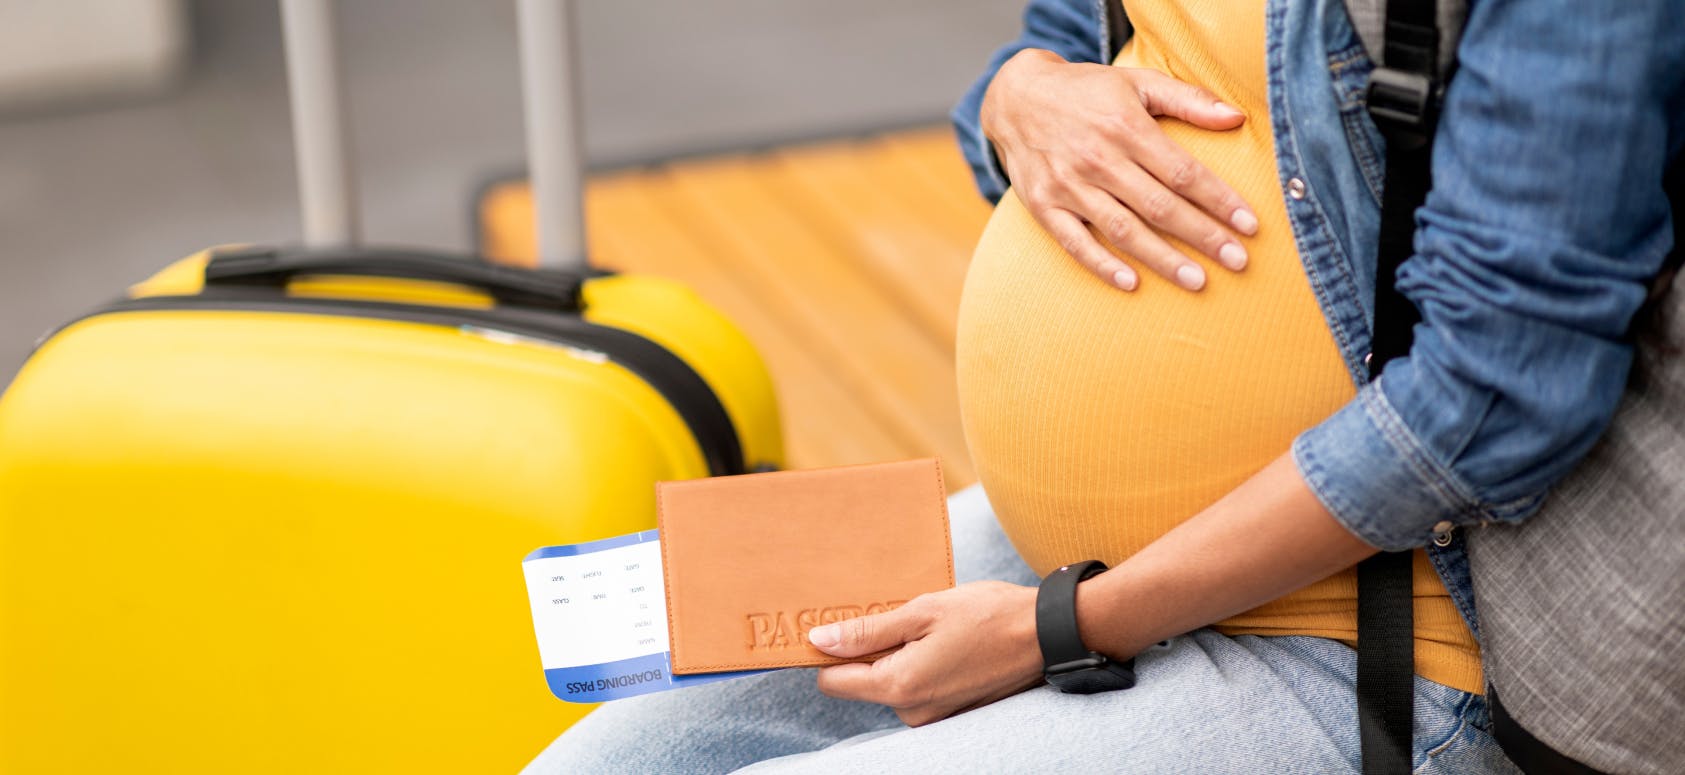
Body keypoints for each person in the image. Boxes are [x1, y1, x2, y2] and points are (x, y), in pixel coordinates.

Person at [525, 0, 1684, 771]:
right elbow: (1072, 50)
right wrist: (1014, 95)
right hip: (1067, 563)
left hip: (1375, 623)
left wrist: (1058, 627)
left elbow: (1501, 392)